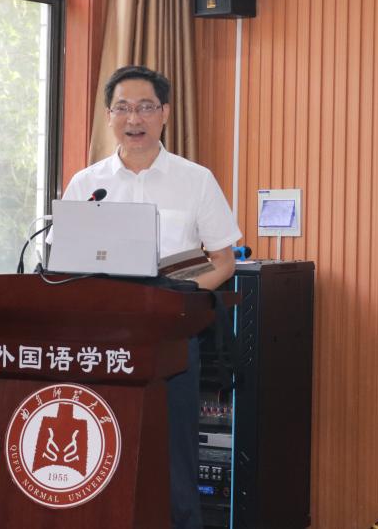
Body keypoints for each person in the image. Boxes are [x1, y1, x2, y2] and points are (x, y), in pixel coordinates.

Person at [61, 65, 241, 529]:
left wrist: (176, 298)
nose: (133, 118)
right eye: (122, 108)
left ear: (164, 113)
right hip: (102, 341)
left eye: (145, 107)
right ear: (108, 116)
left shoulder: (195, 179)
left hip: (170, 337)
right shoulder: (87, 184)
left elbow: (224, 261)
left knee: (173, 458)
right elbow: (66, 264)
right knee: (103, 450)